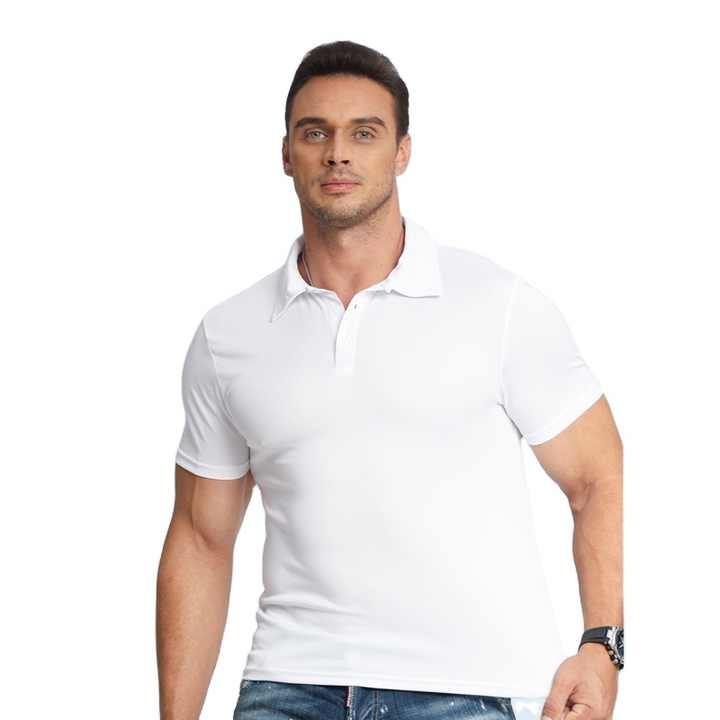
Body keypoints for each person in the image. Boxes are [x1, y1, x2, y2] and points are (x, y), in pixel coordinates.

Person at [156, 40, 623, 720]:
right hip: (287, 686)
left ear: (402, 152)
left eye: (364, 133)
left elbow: (595, 475)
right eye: (315, 133)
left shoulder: (498, 305)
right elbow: (201, 539)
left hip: (466, 689)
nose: (337, 154)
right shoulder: (229, 335)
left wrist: (602, 647)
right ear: (286, 153)